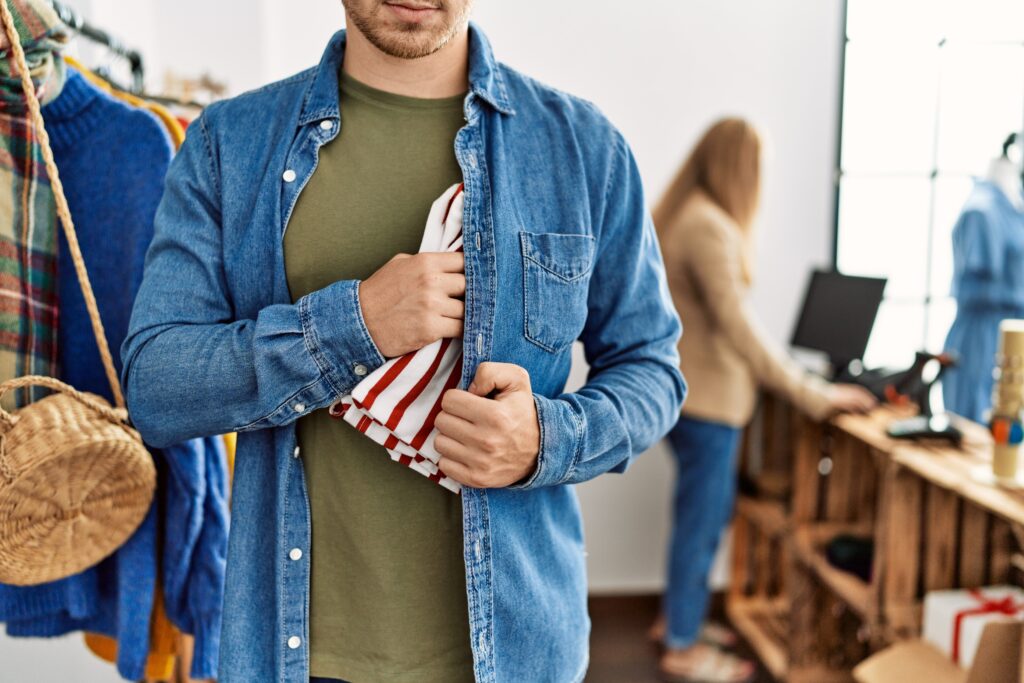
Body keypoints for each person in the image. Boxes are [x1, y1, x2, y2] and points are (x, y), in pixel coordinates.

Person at [121, 2, 686, 682]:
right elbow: (156, 383)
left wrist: (546, 435)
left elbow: (653, 370)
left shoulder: (583, 150)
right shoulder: (227, 144)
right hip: (295, 655)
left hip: (515, 654)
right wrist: (353, 324)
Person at [651, 118, 876, 683]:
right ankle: (682, 644)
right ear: (739, 166)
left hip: (695, 401)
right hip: (708, 404)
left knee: (701, 516)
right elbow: (739, 328)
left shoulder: (690, 214)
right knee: (702, 523)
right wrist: (813, 393)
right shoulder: (708, 226)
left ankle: (679, 620)